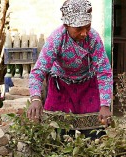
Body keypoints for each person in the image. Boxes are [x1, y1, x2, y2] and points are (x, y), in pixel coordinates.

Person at [27, 0, 113, 133]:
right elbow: (38, 71)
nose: (84, 33)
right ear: (67, 25)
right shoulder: (56, 39)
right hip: (60, 86)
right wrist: (36, 98)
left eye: (88, 27)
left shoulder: (93, 38)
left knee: (93, 132)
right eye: (79, 29)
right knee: (56, 130)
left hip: (87, 85)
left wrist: (105, 105)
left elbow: (104, 72)